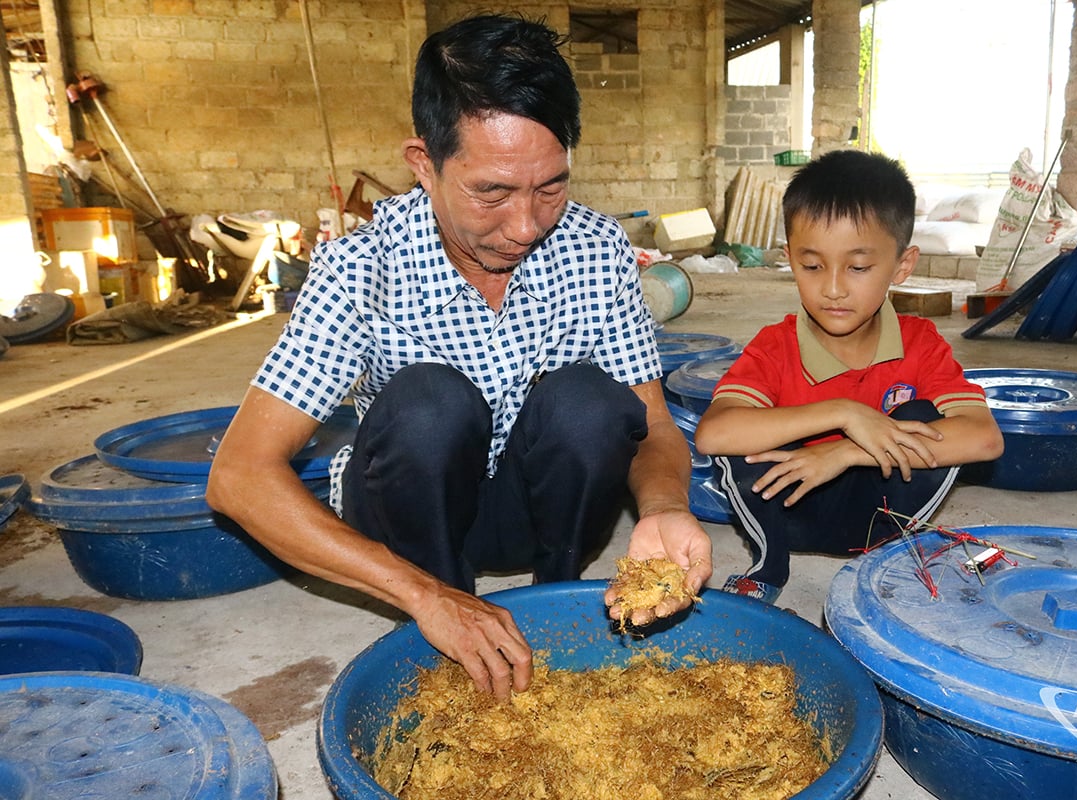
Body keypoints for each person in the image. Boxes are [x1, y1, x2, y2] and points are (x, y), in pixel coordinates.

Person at [207, 13, 712, 699]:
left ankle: (558, 603)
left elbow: (651, 424)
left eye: (551, 186)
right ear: (424, 163)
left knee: (591, 403)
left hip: (537, 516)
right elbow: (238, 477)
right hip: (413, 520)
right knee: (428, 405)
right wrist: (423, 594)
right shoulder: (359, 267)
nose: (526, 225)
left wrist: (662, 506)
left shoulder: (597, 248)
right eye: (492, 192)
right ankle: (443, 622)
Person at [693, 149, 1003, 604]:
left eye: (858, 267)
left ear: (903, 265)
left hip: (880, 516)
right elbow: (713, 434)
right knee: (743, 437)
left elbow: (984, 439)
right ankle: (767, 565)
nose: (833, 288)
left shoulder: (920, 343)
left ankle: (890, 557)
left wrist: (847, 451)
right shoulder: (775, 345)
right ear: (789, 259)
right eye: (812, 265)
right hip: (788, 508)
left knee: (925, 416)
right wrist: (844, 412)